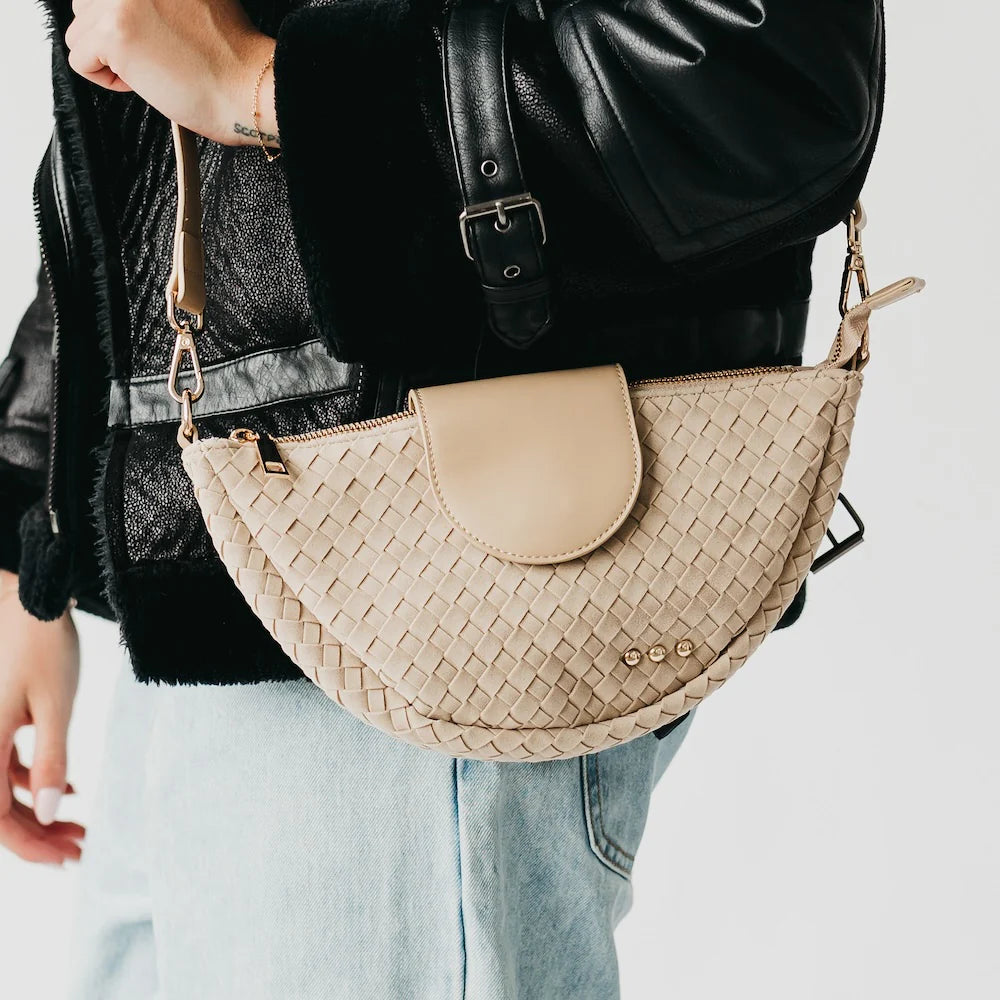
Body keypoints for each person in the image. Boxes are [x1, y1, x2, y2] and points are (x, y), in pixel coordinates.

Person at [0, 1, 885, 996]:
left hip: (440, 585)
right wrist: (35, 512)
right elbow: (142, 98)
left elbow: (758, 67)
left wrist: (264, 89)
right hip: (213, 574)